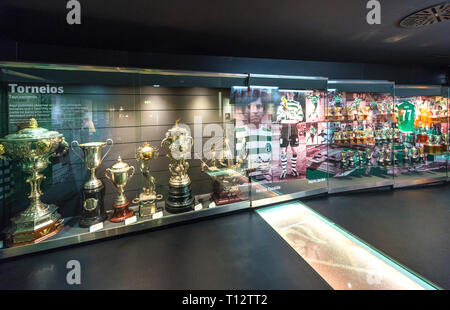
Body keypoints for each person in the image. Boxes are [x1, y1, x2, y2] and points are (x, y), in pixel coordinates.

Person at [234, 88, 273, 180]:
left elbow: (270, 163)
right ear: (244, 110)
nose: (255, 111)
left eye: (258, 106)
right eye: (249, 107)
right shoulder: (237, 133)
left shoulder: (269, 133)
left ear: (263, 109)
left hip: (265, 184)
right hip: (243, 183)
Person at [276, 92, 304, 178]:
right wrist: (282, 113)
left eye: (291, 92)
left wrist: (291, 116)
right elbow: (277, 119)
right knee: (283, 150)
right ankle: (284, 171)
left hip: (293, 128)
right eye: (288, 91)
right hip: (284, 128)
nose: (289, 93)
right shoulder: (282, 104)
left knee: (294, 150)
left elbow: (300, 117)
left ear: (294, 94)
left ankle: (293, 169)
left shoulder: (297, 104)